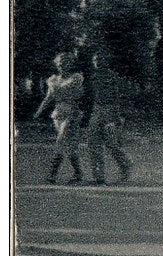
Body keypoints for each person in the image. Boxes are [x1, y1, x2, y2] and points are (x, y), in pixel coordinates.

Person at [34, 53, 86, 184]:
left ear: (71, 63)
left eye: (65, 62)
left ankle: (52, 173)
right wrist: (38, 112)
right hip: (58, 114)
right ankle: (78, 174)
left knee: (61, 141)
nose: (62, 65)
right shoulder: (53, 80)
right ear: (56, 64)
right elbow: (49, 98)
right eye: (60, 63)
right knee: (68, 146)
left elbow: (77, 93)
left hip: (72, 112)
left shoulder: (76, 78)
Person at [86, 53, 132, 184]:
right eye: (94, 60)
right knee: (93, 143)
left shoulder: (111, 76)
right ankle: (98, 176)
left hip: (110, 110)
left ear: (106, 61)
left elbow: (117, 95)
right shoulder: (93, 76)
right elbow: (92, 96)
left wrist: (116, 116)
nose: (97, 62)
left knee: (112, 144)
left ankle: (125, 166)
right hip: (97, 110)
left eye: (100, 59)